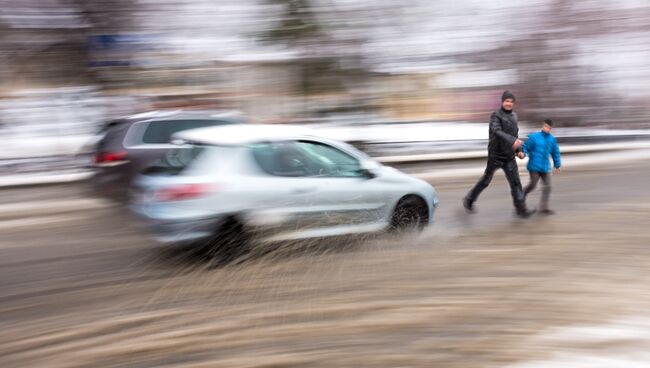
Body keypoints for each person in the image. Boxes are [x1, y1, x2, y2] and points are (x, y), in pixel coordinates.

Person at [463, 90, 535, 218]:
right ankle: (469, 199)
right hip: (495, 156)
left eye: (511, 102)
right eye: (507, 101)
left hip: (509, 157)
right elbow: (496, 131)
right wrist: (513, 141)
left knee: (516, 183)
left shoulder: (514, 116)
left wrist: (518, 151)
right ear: (502, 102)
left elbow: (515, 135)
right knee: (486, 181)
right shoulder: (495, 116)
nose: (509, 104)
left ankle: (521, 210)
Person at [520, 119, 561, 215]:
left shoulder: (552, 139)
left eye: (548, 127)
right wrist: (523, 153)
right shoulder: (534, 137)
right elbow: (525, 147)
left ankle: (544, 208)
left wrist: (557, 164)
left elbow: (555, 152)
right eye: (545, 126)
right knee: (533, 185)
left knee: (547, 187)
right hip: (534, 166)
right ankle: (519, 199)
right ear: (543, 126)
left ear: (550, 128)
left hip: (545, 167)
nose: (546, 128)